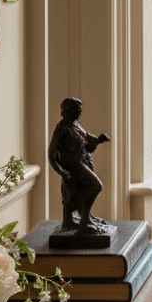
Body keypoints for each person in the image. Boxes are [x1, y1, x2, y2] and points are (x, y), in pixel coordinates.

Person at [47, 97, 110, 233]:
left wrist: (98, 139)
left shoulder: (74, 123)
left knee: (80, 190)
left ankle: (79, 218)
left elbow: (85, 136)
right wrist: (62, 171)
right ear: (68, 110)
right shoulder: (62, 127)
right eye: (77, 109)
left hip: (83, 161)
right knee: (95, 186)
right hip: (73, 166)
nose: (79, 112)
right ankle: (84, 221)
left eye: (80, 109)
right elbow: (52, 153)